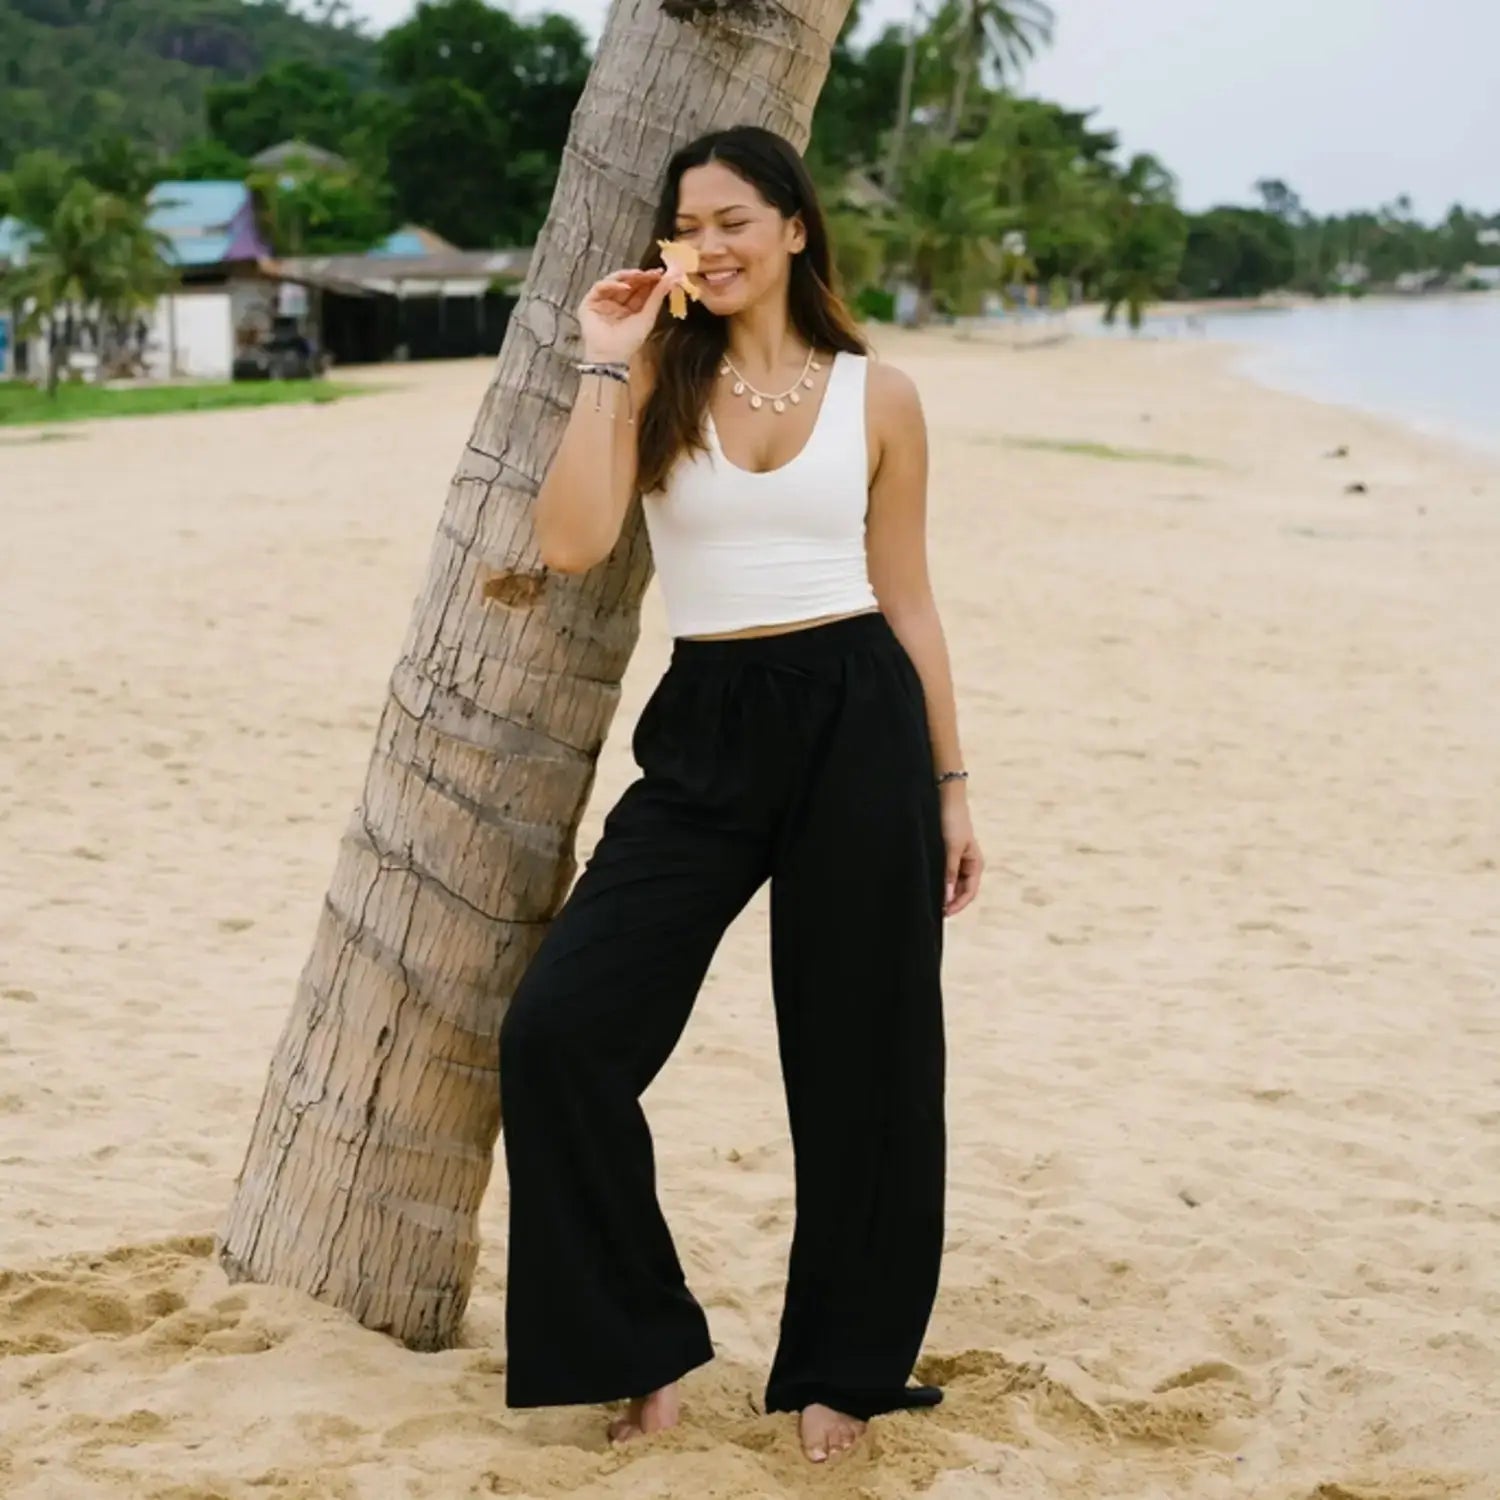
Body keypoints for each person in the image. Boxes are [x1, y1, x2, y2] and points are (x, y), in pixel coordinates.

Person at [498, 124, 983, 1466]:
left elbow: (910, 598)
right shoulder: (653, 374)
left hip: (861, 722)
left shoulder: (881, 396)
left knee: (866, 1059)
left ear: (793, 228)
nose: (707, 248)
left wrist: (951, 785)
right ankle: (636, 1344)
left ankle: (843, 1367)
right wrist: (605, 360)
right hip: (708, 726)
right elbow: (572, 542)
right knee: (560, 1032)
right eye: (689, 227)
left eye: (733, 222)